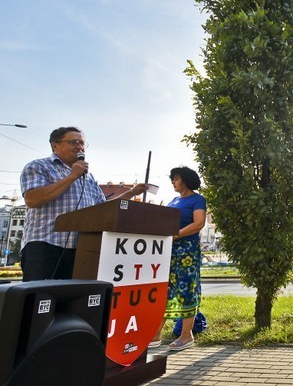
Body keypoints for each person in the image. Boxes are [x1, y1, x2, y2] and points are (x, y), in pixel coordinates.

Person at [19, 126, 147, 281]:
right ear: (55, 145)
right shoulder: (39, 166)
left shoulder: (88, 177)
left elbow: (103, 208)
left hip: (81, 249)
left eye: (82, 143)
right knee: (39, 300)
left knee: (72, 300)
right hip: (45, 246)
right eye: (73, 142)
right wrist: (72, 175)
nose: (79, 147)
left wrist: (131, 193)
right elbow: (33, 199)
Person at [150, 166, 207, 352]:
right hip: (168, 250)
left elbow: (198, 223)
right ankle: (156, 334)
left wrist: (176, 235)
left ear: (185, 180)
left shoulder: (197, 199)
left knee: (186, 289)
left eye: (176, 178)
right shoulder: (173, 200)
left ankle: (186, 335)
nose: (173, 182)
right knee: (165, 290)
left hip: (187, 252)